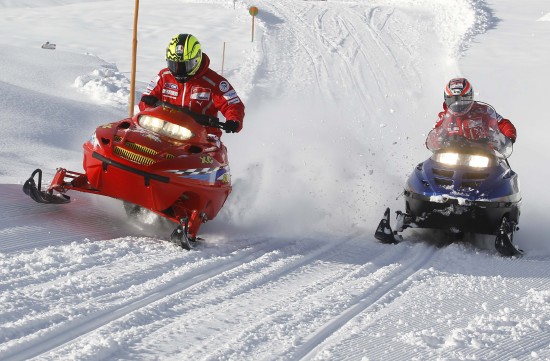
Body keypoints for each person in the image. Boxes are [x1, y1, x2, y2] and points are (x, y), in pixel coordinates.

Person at [139, 34, 245, 137]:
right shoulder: (164, 76)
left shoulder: (214, 82)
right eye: (174, 64)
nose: (178, 70)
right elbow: (146, 98)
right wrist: (148, 103)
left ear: (196, 60)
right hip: (164, 131)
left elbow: (233, 103)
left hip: (202, 137)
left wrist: (233, 120)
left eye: (185, 65)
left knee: (211, 154)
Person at [434, 78, 516, 143]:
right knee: (428, 164)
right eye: (452, 100)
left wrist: (509, 136)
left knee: (499, 164)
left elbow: (502, 123)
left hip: (482, 153)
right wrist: (437, 140)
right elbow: (434, 133)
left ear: (470, 96)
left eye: (462, 99)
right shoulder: (444, 116)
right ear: (446, 99)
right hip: (451, 156)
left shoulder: (483, 110)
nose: (457, 104)